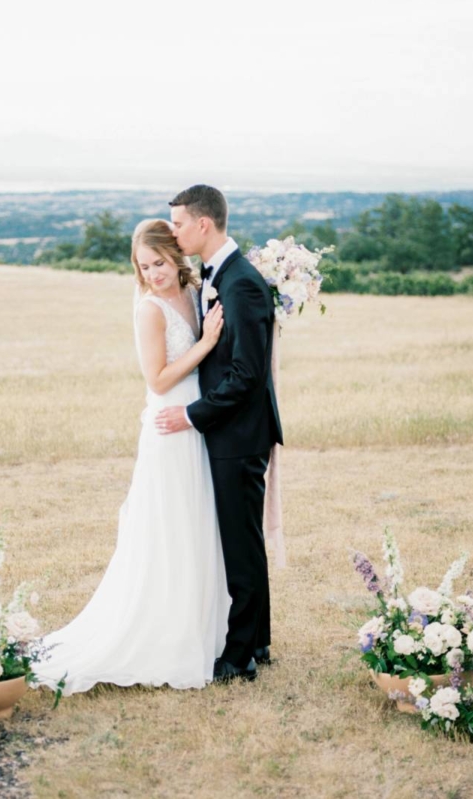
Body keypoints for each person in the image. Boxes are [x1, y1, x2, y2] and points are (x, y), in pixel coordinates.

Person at [32, 219, 230, 695]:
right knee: (168, 527)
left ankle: (201, 627)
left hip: (196, 422)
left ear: (175, 254)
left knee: (197, 524)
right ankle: (162, 634)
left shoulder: (195, 286)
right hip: (168, 424)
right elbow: (158, 379)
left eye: (159, 263)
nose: (154, 274)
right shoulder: (150, 309)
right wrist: (204, 345)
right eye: (144, 267)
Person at [156, 184, 283, 683]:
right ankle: (259, 640)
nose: (173, 231)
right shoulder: (218, 275)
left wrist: (192, 414)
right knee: (243, 539)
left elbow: (247, 374)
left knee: (240, 544)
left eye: (179, 223)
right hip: (233, 430)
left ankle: (238, 655)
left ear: (203, 224)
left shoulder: (241, 283)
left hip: (239, 433)